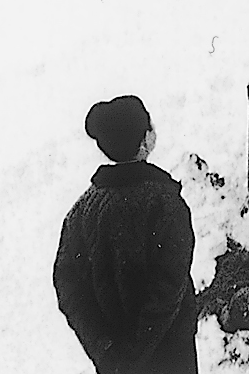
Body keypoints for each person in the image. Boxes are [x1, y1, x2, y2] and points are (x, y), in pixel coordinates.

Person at [53, 95, 198, 374]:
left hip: (115, 364)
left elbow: (67, 284)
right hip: (168, 356)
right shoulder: (166, 204)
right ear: (145, 141)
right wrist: (135, 354)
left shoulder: (82, 211)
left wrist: (104, 348)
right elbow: (167, 289)